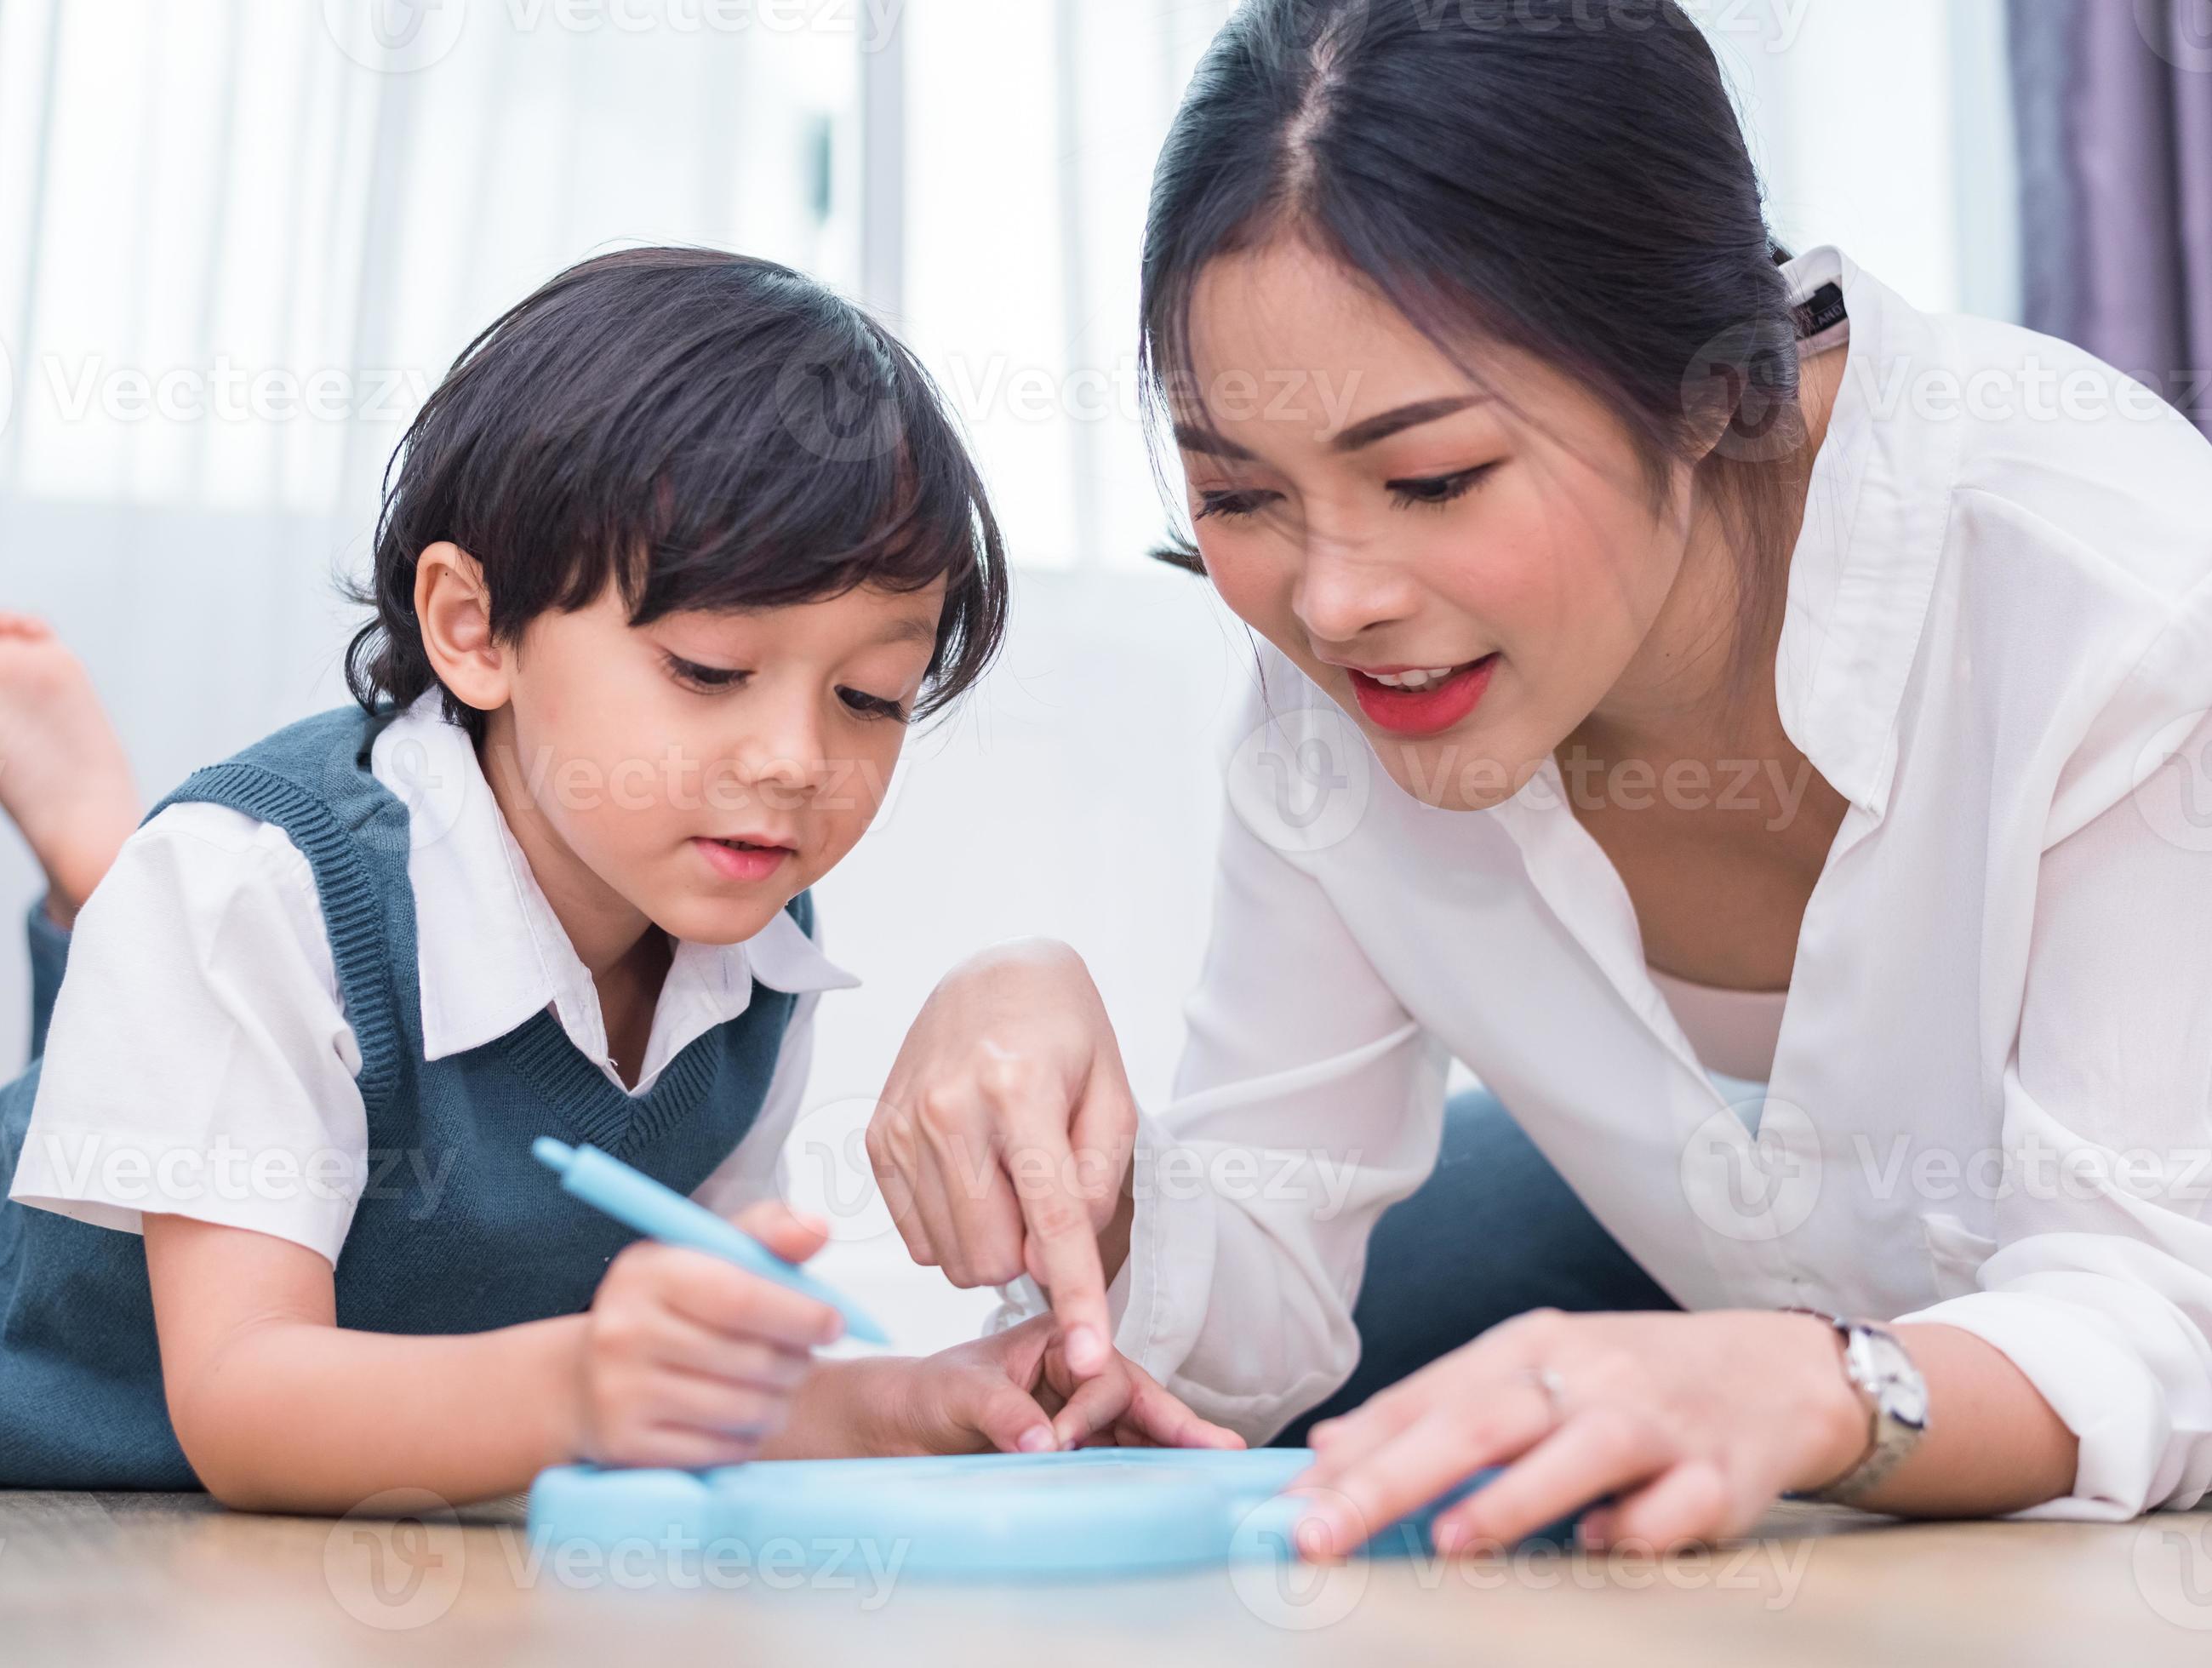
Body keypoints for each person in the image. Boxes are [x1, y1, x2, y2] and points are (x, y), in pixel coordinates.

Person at [864, 0, 2212, 1558]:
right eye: (1240, 494)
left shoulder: (2114, 600)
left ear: (1707, 385)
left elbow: (2160, 1322)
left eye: (1433, 479)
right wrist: (1061, 1129)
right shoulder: (1353, 671)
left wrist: (1814, 1386)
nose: (1333, 600)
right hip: (1693, 1268)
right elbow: (1238, 1322)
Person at [0, 248, 1237, 1509]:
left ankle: (79, 904)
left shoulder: (752, 930)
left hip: (172, 1075)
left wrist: (916, 1399)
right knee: (210, 934)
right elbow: (249, 1409)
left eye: (870, 698)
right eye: (710, 670)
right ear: (473, 627)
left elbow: (664, 1392)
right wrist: (579, 1378)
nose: (793, 761)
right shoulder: (259, 888)